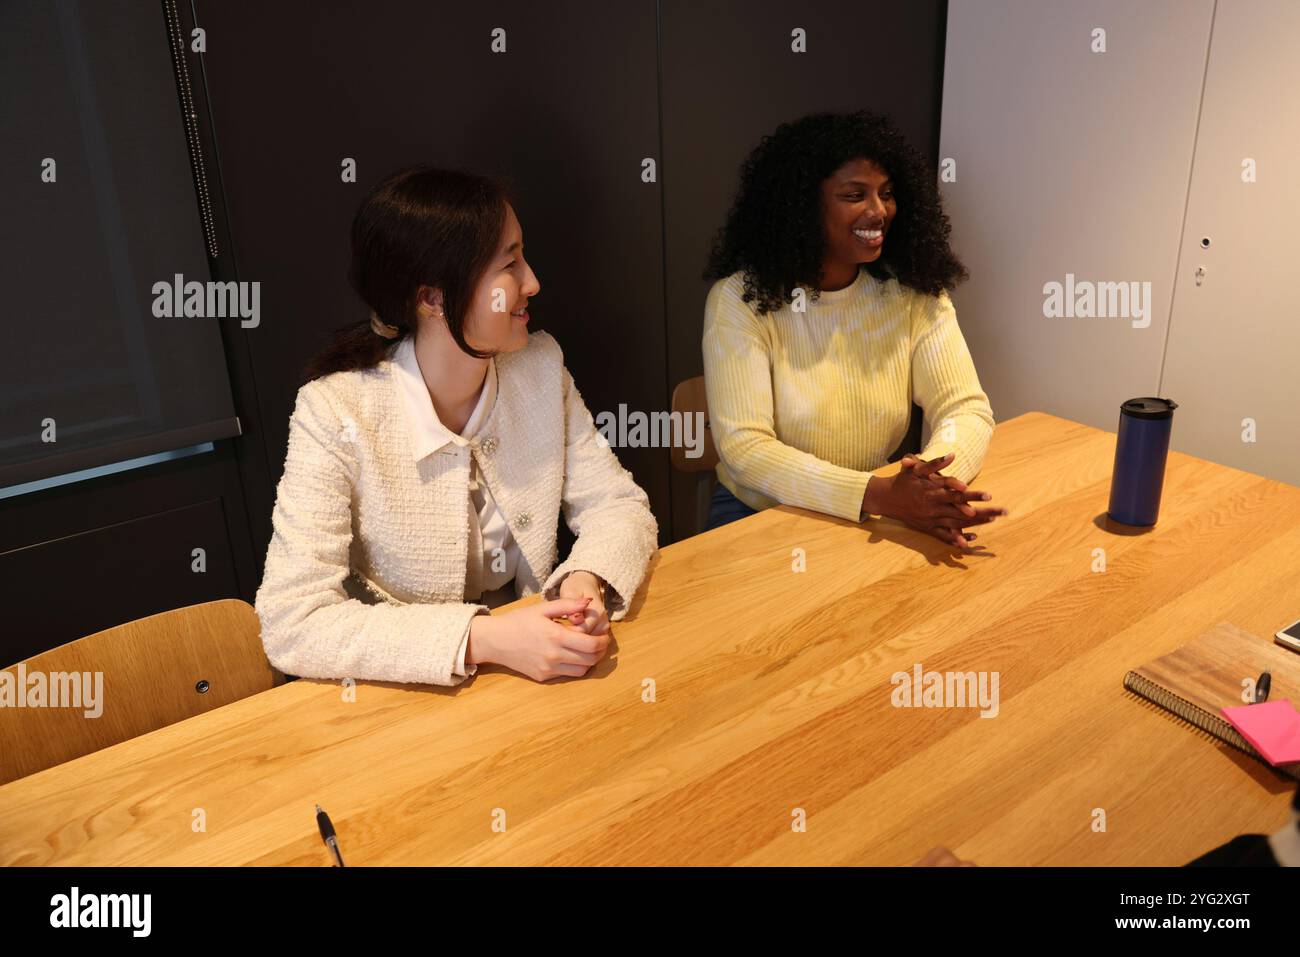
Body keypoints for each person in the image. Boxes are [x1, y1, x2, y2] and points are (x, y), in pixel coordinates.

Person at [254, 166, 657, 686]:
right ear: (432, 298)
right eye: (509, 264)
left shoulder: (539, 368)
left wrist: (586, 581)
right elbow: (292, 621)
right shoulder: (334, 410)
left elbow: (616, 504)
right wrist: (485, 638)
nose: (532, 282)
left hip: (542, 679)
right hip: (403, 699)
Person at [701, 110, 1005, 549]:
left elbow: (966, 408)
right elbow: (746, 450)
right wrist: (879, 495)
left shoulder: (914, 293)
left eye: (886, 193)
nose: (879, 211)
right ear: (803, 205)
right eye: (854, 195)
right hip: (764, 508)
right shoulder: (740, 300)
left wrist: (935, 486)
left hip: (879, 505)